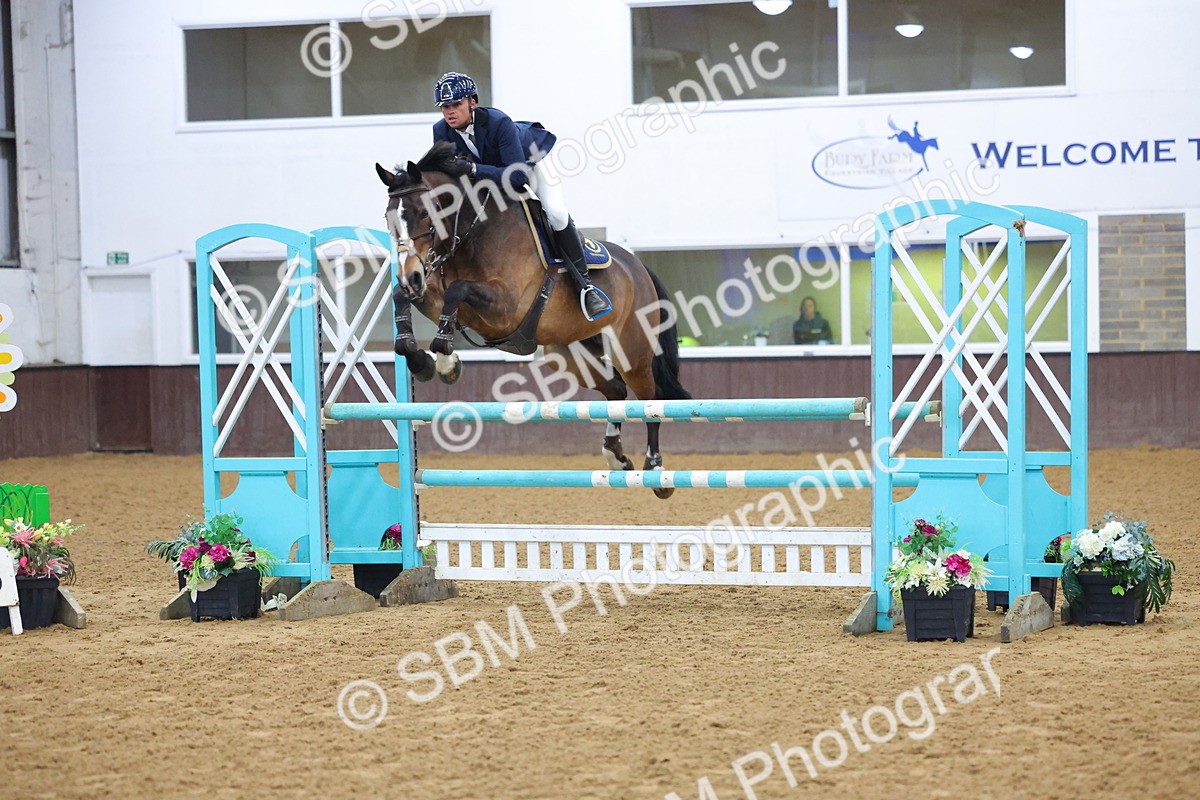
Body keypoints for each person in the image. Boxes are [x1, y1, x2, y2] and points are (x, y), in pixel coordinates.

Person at [431, 72, 612, 321]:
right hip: (490, 178)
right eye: (444, 107)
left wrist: (473, 170)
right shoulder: (440, 131)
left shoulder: (498, 122)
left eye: (456, 105)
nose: (449, 112)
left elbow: (518, 179)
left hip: (530, 164)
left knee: (556, 214)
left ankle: (586, 286)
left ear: (472, 102)